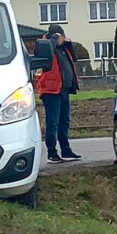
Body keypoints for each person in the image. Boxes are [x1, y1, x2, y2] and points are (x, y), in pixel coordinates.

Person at [36, 24, 82, 164]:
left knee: (64, 122)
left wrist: (69, 45)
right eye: (61, 36)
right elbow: (46, 55)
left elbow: (74, 58)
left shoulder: (63, 49)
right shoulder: (46, 47)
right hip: (51, 91)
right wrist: (54, 40)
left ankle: (66, 150)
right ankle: (51, 152)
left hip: (63, 90)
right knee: (53, 123)